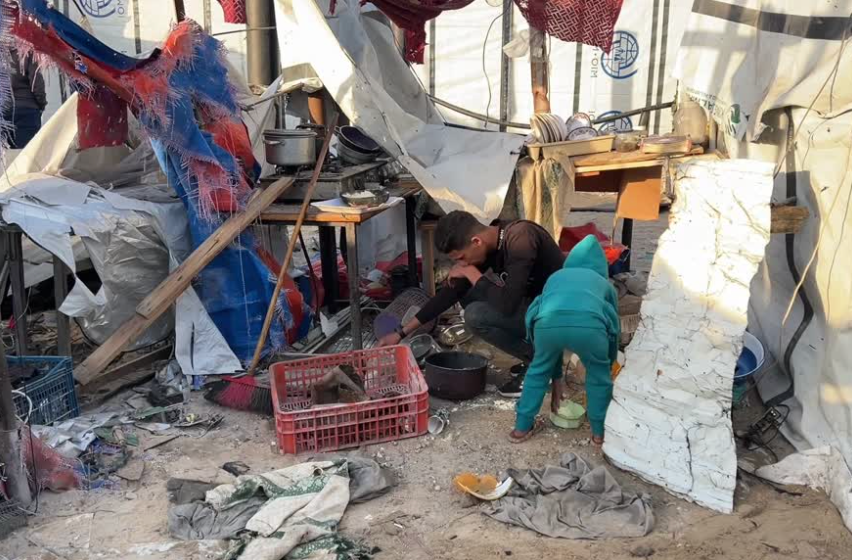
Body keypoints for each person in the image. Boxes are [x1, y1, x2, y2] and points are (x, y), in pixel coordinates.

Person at [377, 211, 565, 396]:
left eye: (461, 258)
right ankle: (535, 355)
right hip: (536, 307)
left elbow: (508, 305)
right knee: (467, 294)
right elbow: (450, 294)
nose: (462, 264)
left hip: (560, 314)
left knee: (475, 315)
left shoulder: (521, 238)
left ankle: (541, 363)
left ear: (476, 241)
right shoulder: (491, 244)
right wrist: (400, 333)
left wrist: (470, 272)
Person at [509, 235, 620, 445]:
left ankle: (521, 428)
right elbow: (614, 326)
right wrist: (609, 360)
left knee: (537, 371)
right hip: (590, 329)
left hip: (546, 325)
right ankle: (598, 433)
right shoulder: (604, 284)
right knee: (598, 377)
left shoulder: (555, 277)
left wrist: (552, 369)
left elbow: (537, 308)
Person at [2, 49, 46, 149]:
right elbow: (36, 82)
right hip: (27, 111)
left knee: (4, 157)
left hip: (3, 112)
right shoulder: (26, 51)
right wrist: (41, 104)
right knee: (27, 154)